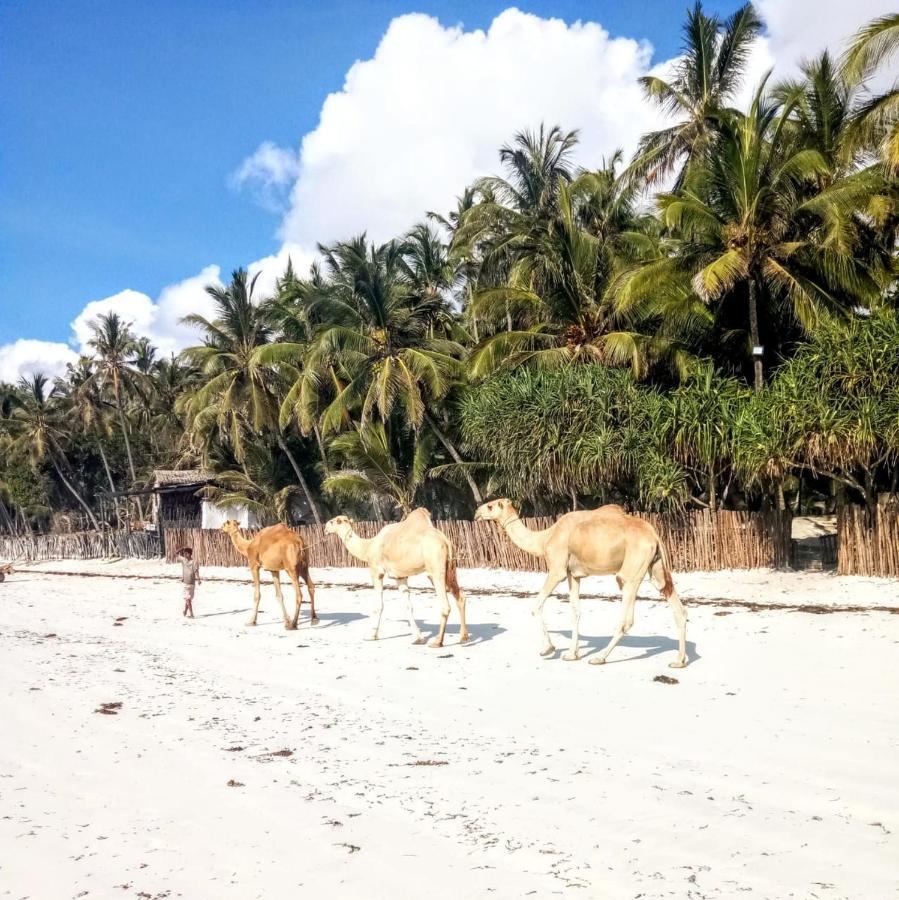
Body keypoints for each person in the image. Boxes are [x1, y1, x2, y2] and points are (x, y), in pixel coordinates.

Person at [175, 547, 201, 617]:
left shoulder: (194, 562)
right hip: (185, 583)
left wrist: (198, 579)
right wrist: (181, 548)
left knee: (188, 599)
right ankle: (191, 613)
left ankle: (185, 611)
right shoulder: (183, 560)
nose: (185, 555)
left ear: (189, 554)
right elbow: (176, 554)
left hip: (192, 583)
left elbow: (196, 571)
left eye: (186, 553)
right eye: (184, 553)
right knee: (187, 598)